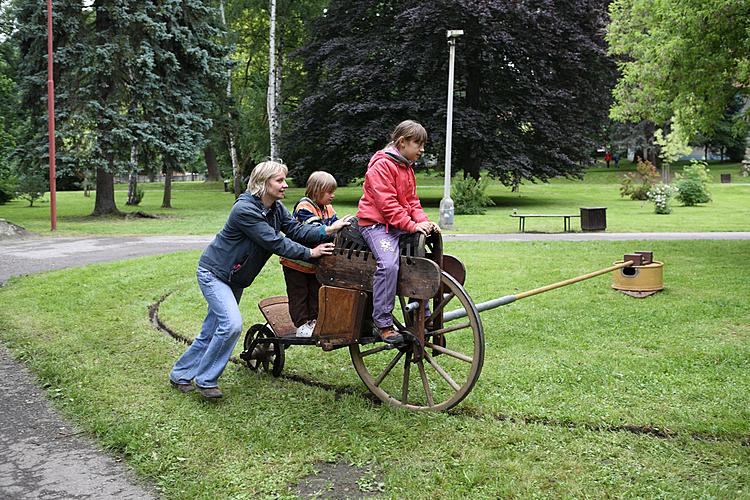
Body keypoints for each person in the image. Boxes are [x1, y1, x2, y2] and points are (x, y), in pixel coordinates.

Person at [168, 161, 349, 399]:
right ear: (263, 183)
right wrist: (309, 254)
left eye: (284, 180)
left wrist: (327, 231)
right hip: (214, 273)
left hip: (235, 277)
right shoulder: (245, 210)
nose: (285, 185)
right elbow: (275, 242)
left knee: (212, 330)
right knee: (231, 325)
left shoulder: (276, 208)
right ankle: (206, 379)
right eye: (279, 181)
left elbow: (295, 230)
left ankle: (180, 374)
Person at [356, 120, 440, 344]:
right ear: (402, 142)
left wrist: (425, 222)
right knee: (388, 264)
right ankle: (382, 323)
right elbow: (388, 205)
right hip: (376, 226)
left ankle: (421, 311)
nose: (422, 150)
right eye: (418, 144)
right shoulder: (382, 166)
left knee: (419, 259)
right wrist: (412, 226)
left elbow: (412, 201)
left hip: (396, 226)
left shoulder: (405, 167)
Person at [280, 171, 351, 338]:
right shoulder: (304, 206)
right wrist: (335, 230)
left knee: (315, 293)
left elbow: (336, 225)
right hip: (296, 262)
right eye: (329, 192)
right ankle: (301, 325)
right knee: (299, 294)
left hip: (315, 262)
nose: (332, 195)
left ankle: (313, 321)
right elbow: (314, 230)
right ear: (317, 190)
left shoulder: (328, 208)